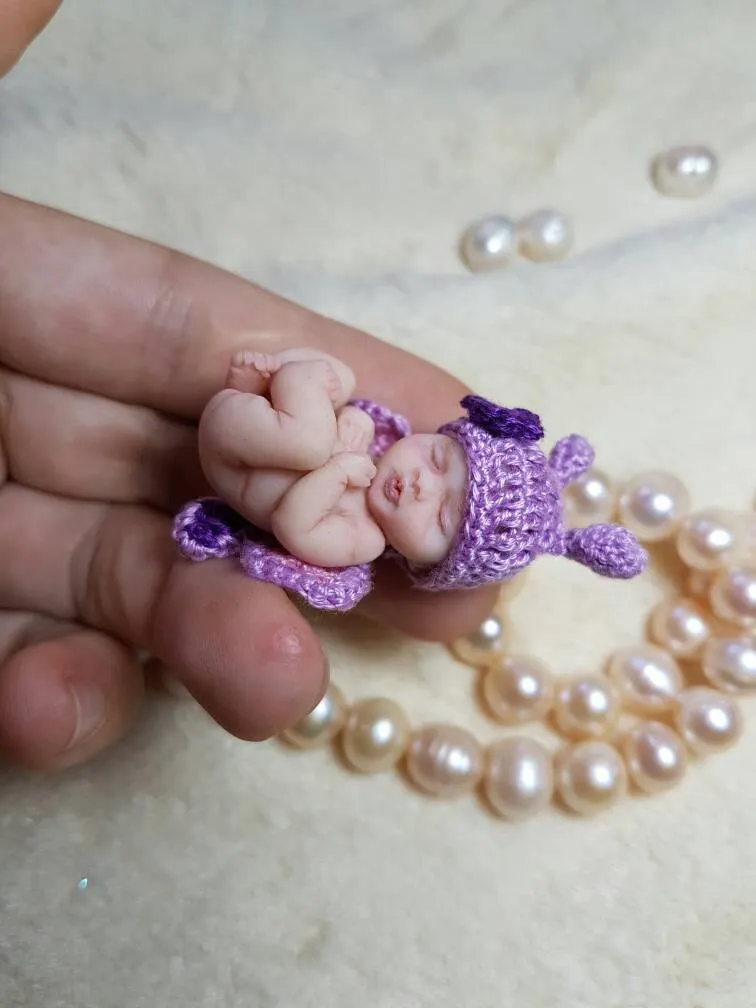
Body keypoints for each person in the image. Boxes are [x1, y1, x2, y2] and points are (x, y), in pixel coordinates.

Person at [0, 1, 497, 773]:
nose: (418, 488)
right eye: (440, 467)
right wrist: (329, 418)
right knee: (332, 381)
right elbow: (348, 420)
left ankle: (280, 391)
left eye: (437, 519)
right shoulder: (380, 433)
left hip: (240, 465)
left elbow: (297, 524)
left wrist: (332, 465)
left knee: (308, 432)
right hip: (246, 420)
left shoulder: (358, 540)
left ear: (421, 564)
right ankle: (271, 377)